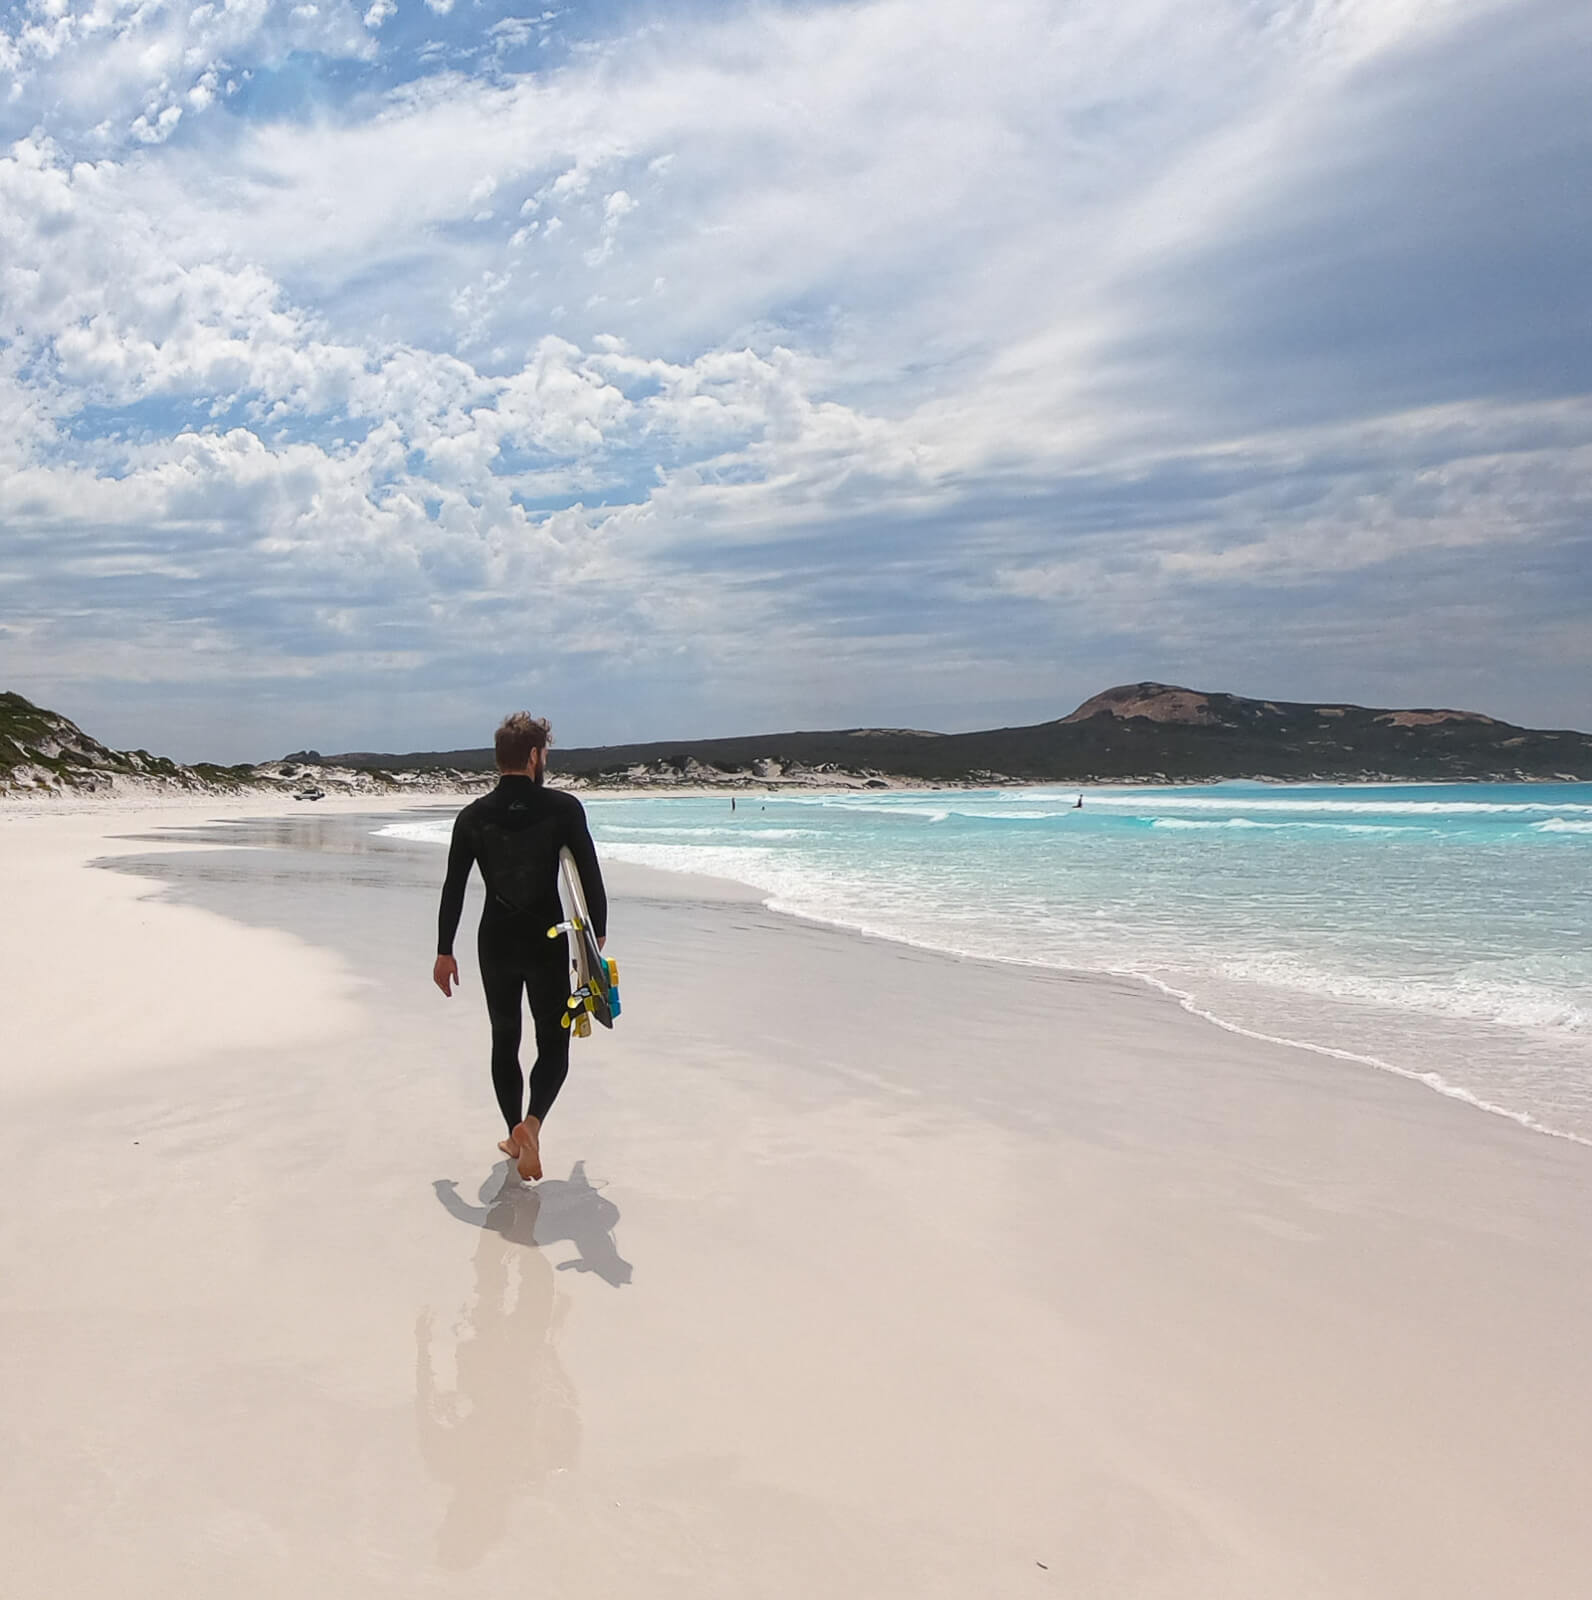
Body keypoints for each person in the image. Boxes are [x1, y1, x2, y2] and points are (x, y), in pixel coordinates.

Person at [432, 713, 607, 1182]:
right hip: (549, 940)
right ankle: (532, 1124)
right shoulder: (563, 809)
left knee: (504, 1040)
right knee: (554, 1042)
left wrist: (444, 950)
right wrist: (596, 938)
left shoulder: (473, 816)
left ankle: (513, 1132)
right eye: (544, 753)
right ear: (534, 756)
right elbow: (589, 876)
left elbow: (454, 888)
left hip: (496, 941)